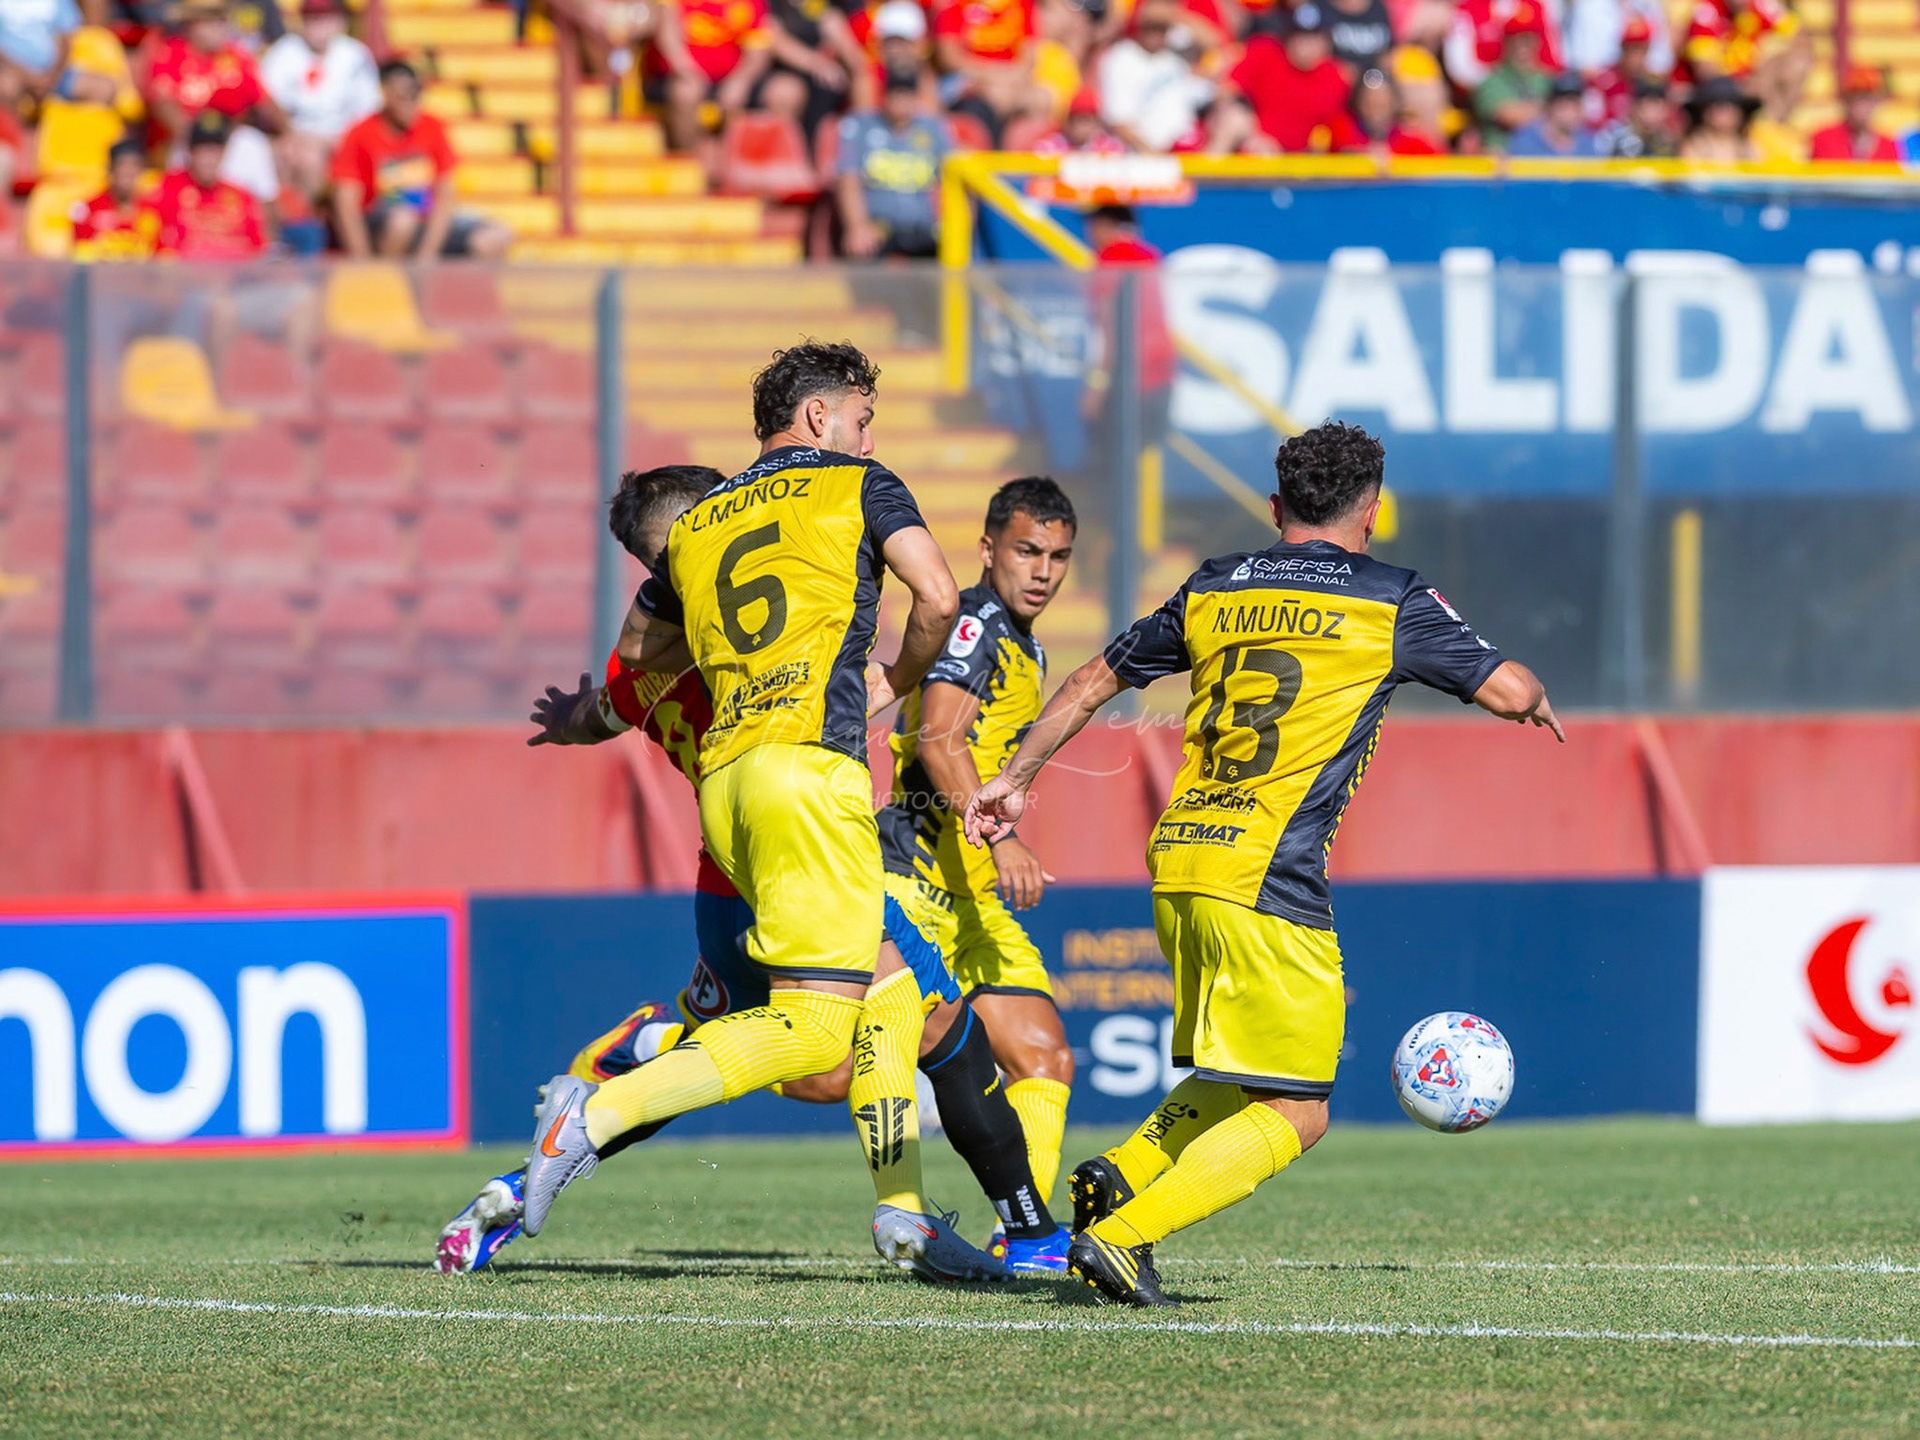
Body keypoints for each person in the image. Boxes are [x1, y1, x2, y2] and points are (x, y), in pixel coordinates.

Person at [963, 420, 1565, 1307]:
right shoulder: (1390, 597)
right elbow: (1509, 690)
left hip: (1182, 859)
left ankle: (1121, 1177)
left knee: (1244, 1076)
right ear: (1373, 510)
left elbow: (1092, 680)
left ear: (1277, 506)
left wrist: (1013, 779)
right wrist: (1536, 698)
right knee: (1298, 1109)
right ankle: (1124, 1237)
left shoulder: (1216, 584)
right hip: (1268, 871)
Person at [437, 465, 1063, 1280]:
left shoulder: (650, 661)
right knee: (919, 1013)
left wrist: (570, 718)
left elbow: (603, 711)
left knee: (821, 1067)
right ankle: (932, 1217)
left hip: (728, 868)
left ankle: (525, 1181)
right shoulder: (753, 640)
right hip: (797, 842)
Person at [519, 344, 988, 1283]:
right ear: (820, 417)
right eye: (861, 418)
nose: (868, 437)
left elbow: (626, 670)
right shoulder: (851, 491)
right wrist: (897, 677)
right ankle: (600, 1111)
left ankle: (901, 1212)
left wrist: (574, 718)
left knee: (861, 1022)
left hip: (728, 808)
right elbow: (938, 597)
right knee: (841, 1026)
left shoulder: (696, 544)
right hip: (807, 781)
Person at [878, 478, 1081, 1221]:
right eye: (1027, 551)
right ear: (989, 548)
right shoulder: (976, 622)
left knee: (1044, 1057)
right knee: (826, 1070)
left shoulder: (1025, 643)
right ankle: (658, 1049)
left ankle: (1022, 1237)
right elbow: (940, 740)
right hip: (910, 881)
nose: (1043, 571)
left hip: (971, 902)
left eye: (1058, 557)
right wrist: (1001, 838)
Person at [330, 59, 510, 259]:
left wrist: (427, 254)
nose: (411, 103)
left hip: (427, 224)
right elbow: (345, 200)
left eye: (415, 94)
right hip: (381, 223)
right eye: (402, 96)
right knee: (403, 221)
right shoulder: (360, 133)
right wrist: (361, 259)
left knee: (496, 236)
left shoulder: (433, 127)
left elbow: (445, 196)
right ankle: (388, 276)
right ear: (385, 93)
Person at [260, 0, 380, 200]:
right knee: (285, 155)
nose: (317, 26)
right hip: (296, 135)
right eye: (311, 19)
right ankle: (299, 213)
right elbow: (268, 101)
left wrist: (339, 141)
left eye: (324, 19)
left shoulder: (355, 54)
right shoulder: (284, 51)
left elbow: (368, 109)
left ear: (339, 21)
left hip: (343, 137)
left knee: (323, 159)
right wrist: (289, 134)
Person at [833, 68, 949, 258]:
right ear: (884, 95)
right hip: (877, 228)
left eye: (906, 93)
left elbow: (955, 178)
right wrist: (857, 225)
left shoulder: (933, 128)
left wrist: (954, 225)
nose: (901, 100)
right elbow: (848, 181)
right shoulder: (860, 125)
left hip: (924, 229)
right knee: (860, 248)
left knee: (954, 252)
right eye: (895, 93)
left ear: (915, 96)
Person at [1228, 2, 1363, 153]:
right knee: (1233, 117)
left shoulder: (1335, 77)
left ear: (1326, 43)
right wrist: (1251, 134)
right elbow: (1227, 92)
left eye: (1313, 38)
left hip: (1296, 160)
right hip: (1248, 148)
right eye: (1299, 36)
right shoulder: (1265, 51)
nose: (1305, 45)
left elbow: (1341, 126)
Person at [646, 0, 773, 155]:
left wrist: (740, 81)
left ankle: (726, 162)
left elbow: (757, 54)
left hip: (730, 79)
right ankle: (688, 161)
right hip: (678, 75)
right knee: (685, 93)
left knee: (742, 99)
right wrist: (687, 72)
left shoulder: (752, 3)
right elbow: (667, 36)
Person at [1096, 0, 1218, 153]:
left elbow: (1213, 43)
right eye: (1151, 27)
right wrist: (1155, 156)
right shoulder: (1121, 57)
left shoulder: (1176, 56)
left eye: (1161, 28)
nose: (1155, 34)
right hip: (1142, 155)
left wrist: (1173, 16)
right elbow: (1118, 122)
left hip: (1185, 150)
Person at [148, 110, 267, 256]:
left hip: (232, 269)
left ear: (223, 154)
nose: (208, 160)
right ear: (190, 153)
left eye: (214, 151)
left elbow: (257, 248)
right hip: (182, 269)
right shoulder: (166, 189)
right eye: (202, 151)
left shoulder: (241, 197)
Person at [932, 0, 1050, 143]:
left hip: (1010, 79)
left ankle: (1025, 153)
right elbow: (949, 58)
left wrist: (1006, 80)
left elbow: (1029, 58)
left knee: (1041, 98)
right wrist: (991, 78)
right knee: (981, 104)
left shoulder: (1023, 4)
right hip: (969, 77)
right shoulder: (954, 4)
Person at [1472, 2, 1554, 150]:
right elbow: (1509, 116)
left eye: (1528, 39)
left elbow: (1571, 114)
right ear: (1506, 42)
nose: (1522, 47)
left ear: (1538, 41)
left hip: (1542, 157)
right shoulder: (1492, 80)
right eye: (1515, 39)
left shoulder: (1547, 79)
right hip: (1504, 156)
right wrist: (1551, 110)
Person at [70, 136, 159, 259]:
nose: (128, 172)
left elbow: (162, 258)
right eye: (122, 166)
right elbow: (82, 260)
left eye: (133, 166)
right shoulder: (89, 210)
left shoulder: (155, 212)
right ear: (110, 169)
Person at [0, 0, 84, 109]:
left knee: (101, 89)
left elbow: (67, 42)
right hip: (9, 70)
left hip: (53, 74)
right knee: (6, 88)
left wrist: (51, 79)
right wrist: (30, 78)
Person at [1808, 65, 1898, 162]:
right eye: (1855, 98)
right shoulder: (1823, 139)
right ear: (1846, 100)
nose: (1861, 106)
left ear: (1878, 102)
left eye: (1868, 99)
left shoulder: (1889, 147)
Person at [1584, 13, 1660, 126]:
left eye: (1642, 49)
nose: (1636, 56)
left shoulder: (1652, 84)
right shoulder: (1604, 82)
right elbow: (1593, 122)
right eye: (1631, 48)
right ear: (1622, 49)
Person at [1351, 65, 1443, 155]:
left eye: (1382, 105)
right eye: (1368, 104)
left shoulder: (1412, 139)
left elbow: (1441, 159)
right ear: (1358, 104)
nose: (1375, 110)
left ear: (1393, 104)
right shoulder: (1348, 136)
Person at [1505, 71, 1600, 156]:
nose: (1570, 111)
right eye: (1564, 104)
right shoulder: (1526, 140)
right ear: (1550, 105)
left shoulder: (1588, 144)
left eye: (1575, 103)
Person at [1678, 72, 1758, 161]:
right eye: (1719, 107)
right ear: (1705, 113)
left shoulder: (1747, 147)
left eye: (1730, 108)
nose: (1725, 114)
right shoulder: (1695, 145)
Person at [1598, 75, 1675, 157]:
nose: (1653, 113)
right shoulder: (1617, 136)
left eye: (1657, 105)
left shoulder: (1667, 139)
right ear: (1636, 106)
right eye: (1648, 105)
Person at [1323, 0, 1393, 78]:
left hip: (1373, 75)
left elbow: (1389, 50)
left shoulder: (1378, 7)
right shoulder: (1324, 7)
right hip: (1338, 74)